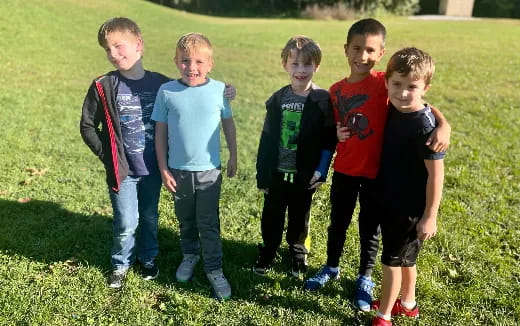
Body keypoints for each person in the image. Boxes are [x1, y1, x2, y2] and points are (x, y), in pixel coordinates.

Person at [303, 18, 451, 312]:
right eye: (356, 49)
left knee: (369, 230)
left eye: (370, 50)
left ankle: (364, 278)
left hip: (376, 176)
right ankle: (331, 267)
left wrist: (444, 124)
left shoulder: (387, 82)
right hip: (345, 169)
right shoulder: (335, 90)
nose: (362, 56)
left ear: (380, 53)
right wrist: (337, 133)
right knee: (338, 224)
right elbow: (334, 128)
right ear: (346, 50)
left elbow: (420, 100)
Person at [80, 18, 235, 289]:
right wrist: (108, 155)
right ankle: (121, 263)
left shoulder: (162, 85)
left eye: (119, 46)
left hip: (156, 168)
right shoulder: (105, 85)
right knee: (128, 221)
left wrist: (225, 90)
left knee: (150, 217)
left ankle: (149, 257)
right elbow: (88, 125)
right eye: (108, 50)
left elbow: (194, 89)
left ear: (138, 44)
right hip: (128, 169)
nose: (113, 54)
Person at [152, 32, 237, 300]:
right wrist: (164, 168)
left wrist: (234, 154)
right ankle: (190, 255)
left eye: (199, 62)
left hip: (210, 171)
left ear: (210, 64)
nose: (192, 67)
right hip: (178, 172)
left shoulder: (219, 90)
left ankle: (214, 268)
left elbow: (229, 125)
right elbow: (160, 134)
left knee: (208, 222)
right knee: (186, 220)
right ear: (176, 61)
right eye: (185, 61)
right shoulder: (167, 92)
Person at [371, 47, 445, 326]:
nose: (402, 93)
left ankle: (384, 315)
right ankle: (408, 304)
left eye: (412, 87)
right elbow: (425, 106)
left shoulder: (425, 128)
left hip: (409, 209)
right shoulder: (395, 109)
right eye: (396, 85)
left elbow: (436, 175)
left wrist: (430, 216)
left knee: (391, 262)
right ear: (387, 81)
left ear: (425, 87)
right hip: (390, 200)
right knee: (407, 260)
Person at [254, 36, 336, 278]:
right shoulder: (278, 99)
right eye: (295, 64)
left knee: (300, 217)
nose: (301, 70)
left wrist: (321, 170)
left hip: (305, 174)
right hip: (277, 172)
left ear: (316, 66)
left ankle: (298, 254)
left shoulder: (322, 100)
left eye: (307, 64)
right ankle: (268, 250)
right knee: (272, 216)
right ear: (285, 64)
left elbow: (329, 140)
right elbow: (267, 140)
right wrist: (263, 175)